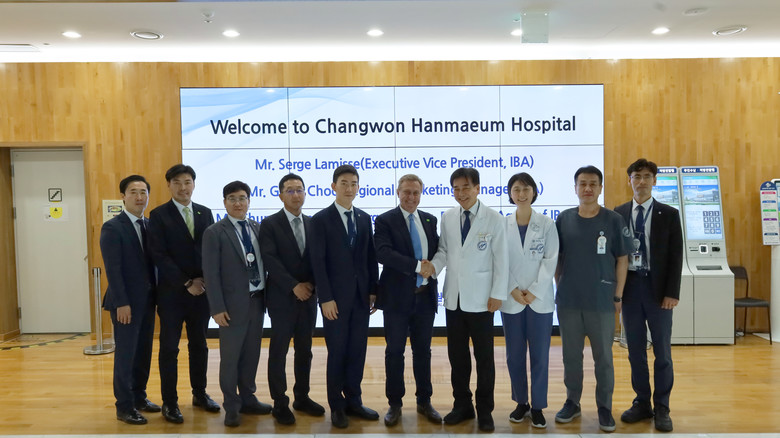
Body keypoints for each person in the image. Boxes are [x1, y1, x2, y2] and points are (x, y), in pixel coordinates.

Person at [553, 165, 631, 433]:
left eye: (593, 184)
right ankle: (572, 402)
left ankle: (604, 407)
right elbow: (557, 259)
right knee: (571, 357)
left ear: (600, 188)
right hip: (569, 302)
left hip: (602, 301)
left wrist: (618, 295)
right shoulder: (564, 219)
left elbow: (622, 259)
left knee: (604, 359)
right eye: (582, 184)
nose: (587, 188)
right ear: (575, 188)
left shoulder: (613, 220)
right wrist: (561, 285)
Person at [430, 167, 508, 432]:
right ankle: (462, 405)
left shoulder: (494, 219)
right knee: (457, 357)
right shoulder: (448, 217)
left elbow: (501, 259)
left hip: (483, 300)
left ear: (477, 188)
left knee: (484, 358)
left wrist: (498, 293)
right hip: (454, 299)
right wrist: (433, 267)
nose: (461, 193)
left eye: (466, 187)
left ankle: (485, 410)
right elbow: (444, 251)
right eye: (456, 188)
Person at [614, 158, 682, 432]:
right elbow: (615, 255)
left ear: (654, 181)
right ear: (629, 180)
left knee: (662, 352)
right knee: (635, 351)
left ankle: (662, 406)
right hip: (630, 288)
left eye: (646, 176)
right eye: (636, 176)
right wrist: (616, 294)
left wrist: (672, 293)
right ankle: (642, 402)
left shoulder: (669, 214)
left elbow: (676, 256)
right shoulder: (618, 213)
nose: (641, 181)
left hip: (658, 292)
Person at [309, 164, 380, 429]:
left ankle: (354, 401)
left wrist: (373, 290)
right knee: (337, 351)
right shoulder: (320, 219)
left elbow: (370, 257)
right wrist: (325, 298)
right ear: (333, 187)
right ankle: (337, 405)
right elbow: (318, 262)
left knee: (357, 351)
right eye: (344, 183)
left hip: (361, 298)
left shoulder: (363, 218)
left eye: (353, 184)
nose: (349, 188)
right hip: (334, 301)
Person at [148, 164, 219, 423]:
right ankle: (170, 402)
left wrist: (204, 281)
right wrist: (187, 282)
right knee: (169, 348)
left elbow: (211, 251)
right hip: (172, 294)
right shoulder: (159, 215)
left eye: (187, 182)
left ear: (194, 184)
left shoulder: (205, 212)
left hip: (201, 293)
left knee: (199, 345)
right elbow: (159, 255)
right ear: (169, 185)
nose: (183, 187)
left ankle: (200, 394)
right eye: (177, 182)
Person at [374, 174, 442, 427]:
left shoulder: (429, 219)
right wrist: (416, 266)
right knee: (395, 352)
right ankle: (395, 404)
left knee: (423, 352)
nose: (411, 197)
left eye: (416, 192)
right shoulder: (385, 220)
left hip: (424, 298)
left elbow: (437, 252)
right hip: (396, 300)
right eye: (406, 192)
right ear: (398, 192)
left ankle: (425, 401)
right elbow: (383, 253)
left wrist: (433, 266)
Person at [202, 180, 272, 427]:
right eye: (232, 199)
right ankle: (231, 405)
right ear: (224, 203)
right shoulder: (214, 232)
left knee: (251, 354)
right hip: (230, 307)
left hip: (257, 301)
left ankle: (248, 398)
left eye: (242, 198)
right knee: (230, 358)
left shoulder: (257, 228)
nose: (238, 203)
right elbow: (211, 273)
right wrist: (217, 308)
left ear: (249, 201)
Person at [258, 174, 325, 425]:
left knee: (305, 350)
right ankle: (280, 402)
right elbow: (270, 260)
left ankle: (302, 397)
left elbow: (319, 259)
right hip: (282, 298)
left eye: (299, 190)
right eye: (290, 190)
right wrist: (293, 286)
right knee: (279, 350)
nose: (295, 194)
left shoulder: (313, 223)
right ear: (280, 195)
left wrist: (311, 285)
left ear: (305, 193)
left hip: (308, 297)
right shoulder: (270, 224)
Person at [499, 172, 559, 429]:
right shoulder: (502, 225)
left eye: (526, 189)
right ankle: (521, 402)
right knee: (514, 356)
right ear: (510, 194)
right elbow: (499, 260)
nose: (521, 194)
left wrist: (534, 291)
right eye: (516, 189)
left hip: (539, 300)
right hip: (512, 298)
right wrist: (512, 289)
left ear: (534, 192)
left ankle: (538, 406)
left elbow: (550, 260)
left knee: (539, 356)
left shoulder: (546, 224)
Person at [99, 174, 159, 425]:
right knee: (126, 355)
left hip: (148, 301)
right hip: (125, 304)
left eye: (143, 192)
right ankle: (124, 406)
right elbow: (113, 269)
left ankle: (139, 397)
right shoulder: (113, 227)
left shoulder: (150, 225)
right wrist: (122, 303)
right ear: (123, 196)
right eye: (133, 192)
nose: (139, 197)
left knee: (143, 352)